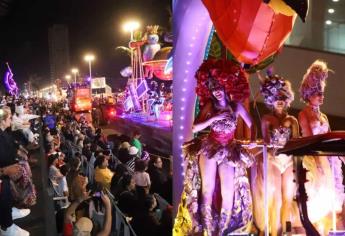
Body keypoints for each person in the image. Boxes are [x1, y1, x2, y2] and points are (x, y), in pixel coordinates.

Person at [174, 59, 256, 236]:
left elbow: (251, 124)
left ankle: (222, 231)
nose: (217, 92)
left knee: (228, 193)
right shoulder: (210, 106)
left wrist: (252, 140)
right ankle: (208, 231)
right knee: (207, 190)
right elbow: (195, 128)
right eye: (213, 89)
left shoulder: (236, 107)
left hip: (229, 150)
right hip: (210, 148)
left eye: (219, 87)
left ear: (226, 87)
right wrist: (213, 119)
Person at [298, 60, 344, 233]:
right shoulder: (303, 114)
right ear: (309, 94)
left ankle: (327, 231)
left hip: (328, 159)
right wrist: (318, 164)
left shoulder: (324, 116)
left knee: (331, 200)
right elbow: (309, 139)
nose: (321, 96)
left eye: (322, 93)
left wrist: (340, 156)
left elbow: (331, 138)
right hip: (314, 159)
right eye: (317, 93)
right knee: (317, 198)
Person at [252, 71, 299, 235]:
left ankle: (285, 231)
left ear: (287, 100)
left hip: (288, 161)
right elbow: (265, 141)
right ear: (271, 100)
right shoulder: (266, 119)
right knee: (277, 198)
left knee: (288, 197)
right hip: (273, 159)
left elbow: (297, 142)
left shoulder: (292, 121)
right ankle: (274, 230)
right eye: (276, 97)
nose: (279, 100)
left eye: (282, 97)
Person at [0, 107, 30, 236]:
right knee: (4, 198)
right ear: (2, 120)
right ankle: (6, 227)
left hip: (5, 176)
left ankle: (9, 212)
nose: (12, 119)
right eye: (9, 118)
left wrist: (19, 151)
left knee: (8, 196)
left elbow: (11, 144)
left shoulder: (4, 132)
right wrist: (4, 171)